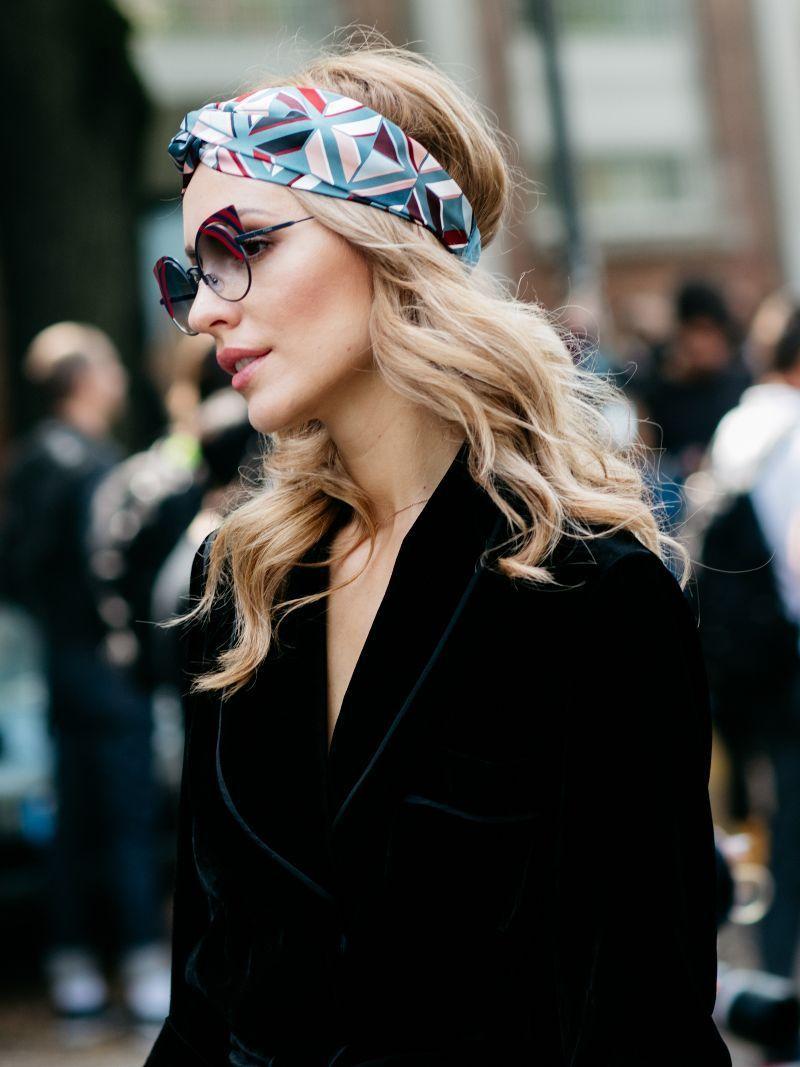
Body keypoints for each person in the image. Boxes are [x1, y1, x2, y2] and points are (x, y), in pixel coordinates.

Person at [145, 37, 731, 1066]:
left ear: (387, 234)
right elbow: (201, 997)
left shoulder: (589, 589)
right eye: (189, 271)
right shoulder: (238, 583)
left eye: (243, 245)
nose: (205, 308)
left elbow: (646, 1018)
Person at [0, 322, 170, 1024]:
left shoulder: (29, 460)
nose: (118, 375)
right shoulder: (95, 466)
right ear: (83, 380)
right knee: (128, 813)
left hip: (62, 664)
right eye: (107, 364)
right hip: (108, 664)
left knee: (72, 814)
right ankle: (142, 962)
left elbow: (16, 569)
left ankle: (72, 966)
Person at [702, 308, 800, 979]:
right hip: (787, 656)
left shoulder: (737, 422)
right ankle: (778, 981)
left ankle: (765, 963)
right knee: (791, 823)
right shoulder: (793, 432)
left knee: (766, 813)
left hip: (738, 656)